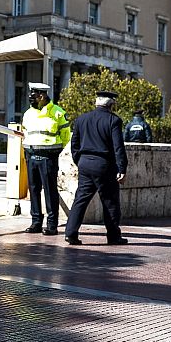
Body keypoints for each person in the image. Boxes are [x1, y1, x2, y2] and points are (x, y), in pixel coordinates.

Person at [64, 90, 128, 246]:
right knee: (110, 201)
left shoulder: (81, 119)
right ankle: (113, 236)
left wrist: (79, 160)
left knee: (80, 199)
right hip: (104, 165)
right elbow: (118, 147)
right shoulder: (114, 120)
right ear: (111, 104)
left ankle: (70, 233)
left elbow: (74, 144)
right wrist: (122, 168)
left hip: (85, 164)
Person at [21, 82, 70, 236]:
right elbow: (25, 133)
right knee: (34, 190)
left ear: (41, 96)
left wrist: (54, 152)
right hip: (31, 157)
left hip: (49, 158)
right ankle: (36, 222)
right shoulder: (28, 113)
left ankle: (52, 225)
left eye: (33, 96)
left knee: (50, 191)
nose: (31, 99)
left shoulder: (58, 113)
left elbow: (65, 137)